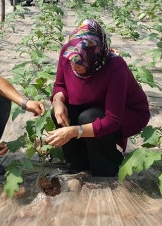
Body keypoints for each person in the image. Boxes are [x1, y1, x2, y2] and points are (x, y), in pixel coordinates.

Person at [45, 19, 150, 177]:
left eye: (80, 62)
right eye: (72, 60)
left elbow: (112, 120)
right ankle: (78, 165)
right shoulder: (69, 52)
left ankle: (107, 168)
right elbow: (59, 86)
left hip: (125, 113)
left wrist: (75, 131)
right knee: (59, 112)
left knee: (90, 118)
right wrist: (58, 101)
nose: (74, 65)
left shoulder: (115, 68)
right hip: (89, 105)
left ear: (95, 56)